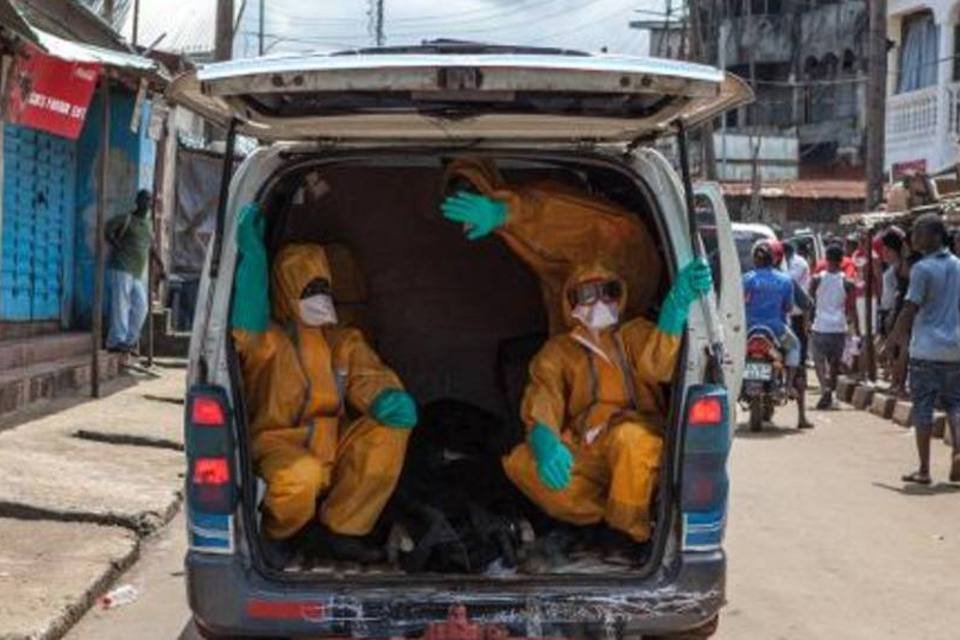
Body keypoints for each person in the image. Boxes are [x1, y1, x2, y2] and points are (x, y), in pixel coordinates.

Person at [231, 203, 418, 565]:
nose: (318, 295)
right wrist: (252, 259)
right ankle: (284, 536)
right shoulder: (269, 341)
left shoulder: (340, 340)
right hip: (278, 446)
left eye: (322, 286)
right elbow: (245, 327)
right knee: (301, 476)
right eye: (308, 288)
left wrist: (385, 398)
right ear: (286, 290)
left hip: (333, 445)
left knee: (388, 432)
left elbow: (368, 375)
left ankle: (342, 531)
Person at [501, 259, 712, 561]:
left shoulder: (633, 334)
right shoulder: (558, 352)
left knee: (631, 442)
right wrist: (545, 440)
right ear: (570, 302)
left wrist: (675, 306)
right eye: (587, 295)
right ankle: (602, 518)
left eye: (608, 291)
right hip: (586, 445)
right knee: (522, 463)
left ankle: (625, 534)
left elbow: (659, 363)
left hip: (636, 435)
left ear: (621, 295)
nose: (599, 302)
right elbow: (543, 398)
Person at [440, 157, 662, 334]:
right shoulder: (560, 355)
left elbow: (547, 212)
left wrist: (506, 212)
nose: (466, 222)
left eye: (466, 201)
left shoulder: (531, 203)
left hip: (628, 273)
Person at [887, 214, 960, 485]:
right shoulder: (958, 265)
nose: (913, 238)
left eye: (919, 233)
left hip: (926, 350)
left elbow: (909, 309)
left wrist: (893, 339)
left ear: (935, 237)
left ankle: (924, 469)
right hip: (955, 348)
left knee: (923, 409)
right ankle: (958, 452)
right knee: (955, 404)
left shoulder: (922, 269)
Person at [743, 240, 804, 422]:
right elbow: (788, 307)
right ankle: (788, 384)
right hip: (776, 330)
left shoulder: (747, 278)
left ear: (755, 260)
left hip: (749, 329)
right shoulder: (785, 280)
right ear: (774, 260)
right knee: (794, 346)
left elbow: (739, 303)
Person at [104, 189, 163, 353]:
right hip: (121, 267)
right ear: (137, 201)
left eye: (150, 201)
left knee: (141, 306)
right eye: (144, 200)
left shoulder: (148, 224)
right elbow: (107, 230)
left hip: (137, 272)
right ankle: (116, 341)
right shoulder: (127, 219)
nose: (147, 204)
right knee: (121, 305)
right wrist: (116, 244)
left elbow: (151, 247)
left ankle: (129, 340)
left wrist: (160, 265)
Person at [810, 244, 859, 410]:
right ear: (841, 260)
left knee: (819, 361)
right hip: (838, 326)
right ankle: (829, 390)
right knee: (834, 363)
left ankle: (824, 388)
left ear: (826, 259)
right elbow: (852, 306)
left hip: (820, 326)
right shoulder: (847, 281)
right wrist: (855, 326)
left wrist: (807, 321)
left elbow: (810, 302)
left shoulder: (817, 279)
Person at [784, 242, 814, 429]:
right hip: (785, 326)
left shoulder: (748, 277)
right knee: (799, 365)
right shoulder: (788, 280)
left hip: (759, 326)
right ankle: (801, 416)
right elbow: (806, 303)